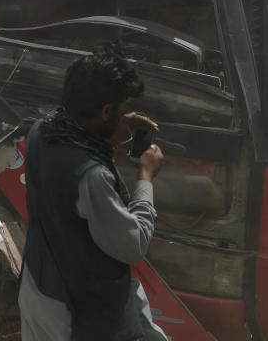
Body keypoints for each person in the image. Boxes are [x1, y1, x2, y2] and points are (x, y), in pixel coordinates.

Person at [19, 50, 168, 341]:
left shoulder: (41, 131)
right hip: (74, 312)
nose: (125, 113)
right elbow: (133, 245)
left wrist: (115, 127)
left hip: (38, 288)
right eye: (122, 107)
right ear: (105, 111)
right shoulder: (91, 175)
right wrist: (145, 178)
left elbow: (77, 141)